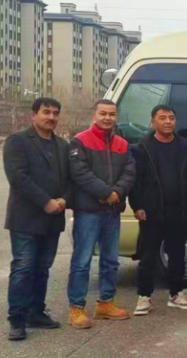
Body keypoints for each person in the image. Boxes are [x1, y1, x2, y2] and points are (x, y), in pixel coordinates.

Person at [2, 97, 71, 341]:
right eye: (46, 112)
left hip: (53, 219)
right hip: (25, 218)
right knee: (23, 268)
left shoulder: (62, 146)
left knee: (42, 268)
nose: (51, 117)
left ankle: (36, 312)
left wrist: (63, 199)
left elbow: (70, 179)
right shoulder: (18, 141)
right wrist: (46, 201)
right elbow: (18, 177)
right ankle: (17, 319)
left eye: (55, 113)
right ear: (34, 115)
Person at [66, 99, 136, 329]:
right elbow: (80, 173)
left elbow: (130, 172)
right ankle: (76, 308)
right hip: (88, 211)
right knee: (82, 261)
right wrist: (107, 193)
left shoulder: (123, 144)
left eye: (111, 114)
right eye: (103, 113)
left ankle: (106, 303)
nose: (107, 118)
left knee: (111, 261)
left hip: (112, 212)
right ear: (94, 115)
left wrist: (116, 193)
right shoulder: (80, 141)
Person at [130, 105, 187, 316]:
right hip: (152, 210)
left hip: (179, 209)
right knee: (148, 255)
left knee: (177, 254)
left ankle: (176, 294)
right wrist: (137, 205)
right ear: (153, 121)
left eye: (171, 118)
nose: (168, 122)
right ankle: (144, 296)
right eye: (162, 118)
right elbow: (136, 181)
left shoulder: (186, 146)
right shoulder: (142, 148)